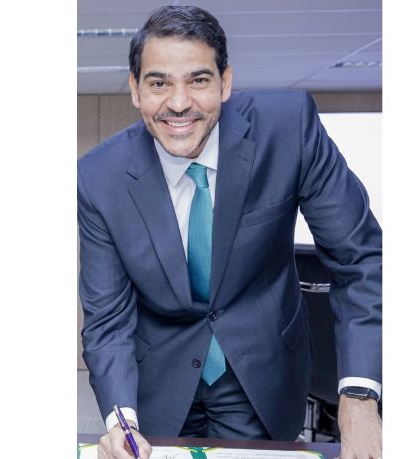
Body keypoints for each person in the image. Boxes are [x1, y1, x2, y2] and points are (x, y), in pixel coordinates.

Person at [78, 6, 382, 459]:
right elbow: (108, 318)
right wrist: (121, 419)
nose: (178, 103)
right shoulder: (98, 178)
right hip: (156, 382)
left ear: (225, 83)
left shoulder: (289, 129)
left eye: (198, 80)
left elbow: (359, 258)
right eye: (159, 83)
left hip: (262, 374)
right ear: (135, 90)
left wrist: (359, 397)